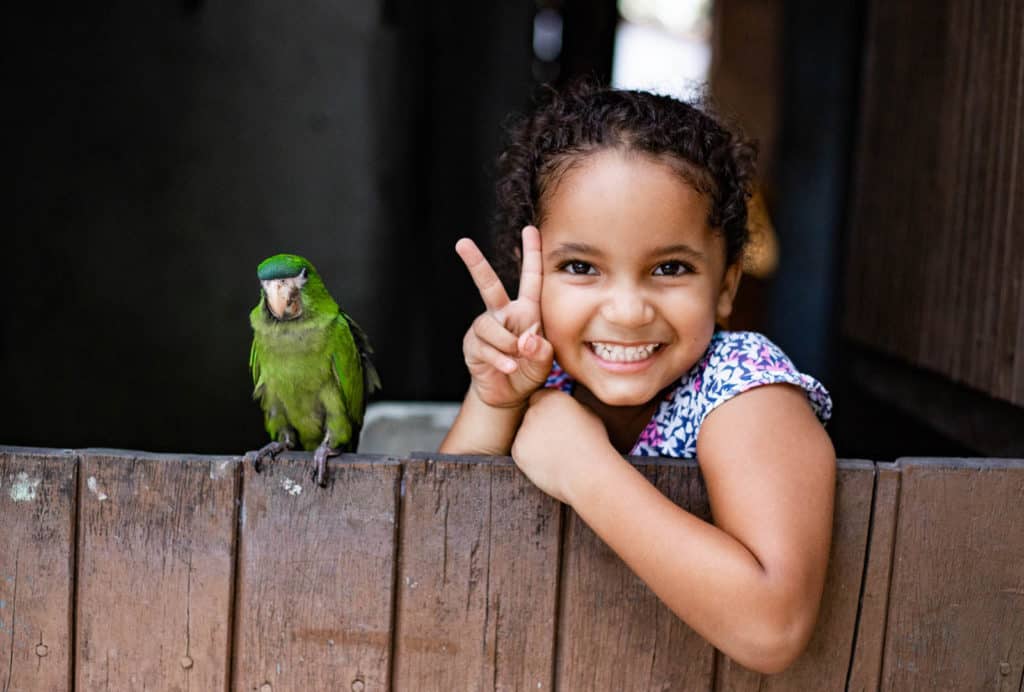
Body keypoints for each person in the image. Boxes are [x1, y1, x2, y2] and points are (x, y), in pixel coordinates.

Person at [439, 81, 835, 674]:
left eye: (669, 268)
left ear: (726, 285)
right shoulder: (544, 374)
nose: (626, 311)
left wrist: (585, 471)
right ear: (532, 274)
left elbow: (773, 628)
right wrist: (494, 401)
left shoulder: (745, 390)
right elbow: (441, 542)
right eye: (580, 267)